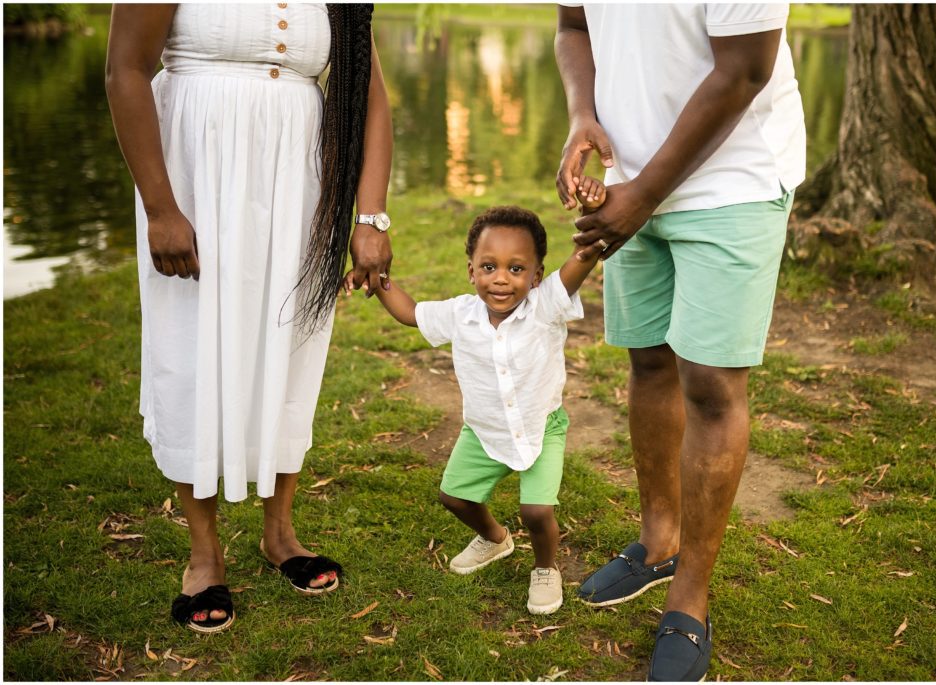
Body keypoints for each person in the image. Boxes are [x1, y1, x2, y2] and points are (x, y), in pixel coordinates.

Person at [105, 3, 393, 633]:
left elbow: (369, 97)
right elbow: (125, 69)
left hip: (302, 179)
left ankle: (280, 533)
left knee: (290, 343)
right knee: (193, 345)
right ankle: (204, 554)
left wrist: (369, 216)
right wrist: (160, 207)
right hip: (194, 172)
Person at [554, 4, 805, 680]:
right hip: (631, 177)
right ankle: (657, 540)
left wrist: (644, 196)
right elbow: (574, 25)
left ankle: (689, 596)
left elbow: (745, 69)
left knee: (711, 383)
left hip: (731, 183)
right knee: (650, 360)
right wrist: (584, 114)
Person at [351, 190, 604, 615]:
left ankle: (545, 567)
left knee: (537, 510)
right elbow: (410, 313)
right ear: (471, 271)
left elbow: (581, 261)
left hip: (541, 426)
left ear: (537, 276)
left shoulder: (545, 307)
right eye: (489, 267)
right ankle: (494, 538)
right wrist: (378, 279)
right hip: (484, 429)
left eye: (516, 269)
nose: (501, 279)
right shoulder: (460, 313)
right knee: (454, 497)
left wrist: (594, 226)